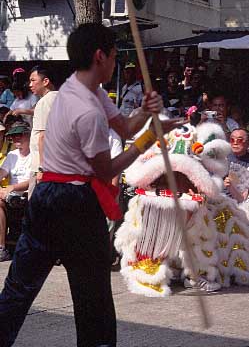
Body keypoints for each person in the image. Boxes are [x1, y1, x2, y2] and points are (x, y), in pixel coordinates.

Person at [0, 23, 183, 347]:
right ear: (100, 56)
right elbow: (107, 169)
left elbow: (124, 128)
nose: (115, 63)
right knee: (93, 298)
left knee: (18, 288)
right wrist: (151, 138)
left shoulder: (83, 89)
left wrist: (143, 111)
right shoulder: (86, 110)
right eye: (113, 56)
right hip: (73, 202)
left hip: (45, 196)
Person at [0, 122, 31, 262]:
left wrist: (13, 187)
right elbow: (2, 173)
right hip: (10, 196)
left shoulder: (36, 155)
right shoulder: (12, 155)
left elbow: (35, 180)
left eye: (19, 135)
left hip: (27, 195)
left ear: (28, 135)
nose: (15, 139)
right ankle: (1, 248)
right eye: (13, 136)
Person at [28, 66, 57, 197]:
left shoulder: (44, 102)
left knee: (36, 211)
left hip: (43, 168)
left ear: (45, 81)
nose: (30, 85)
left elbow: (43, 137)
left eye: (33, 80)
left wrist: (41, 168)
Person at [224, 128, 249, 203]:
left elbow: (243, 198)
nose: (235, 143)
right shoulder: (222, 157)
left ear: (248, 143)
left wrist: (230, 187)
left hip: (237, 204)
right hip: (217, 199)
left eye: (239, 140)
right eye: (232, 139)